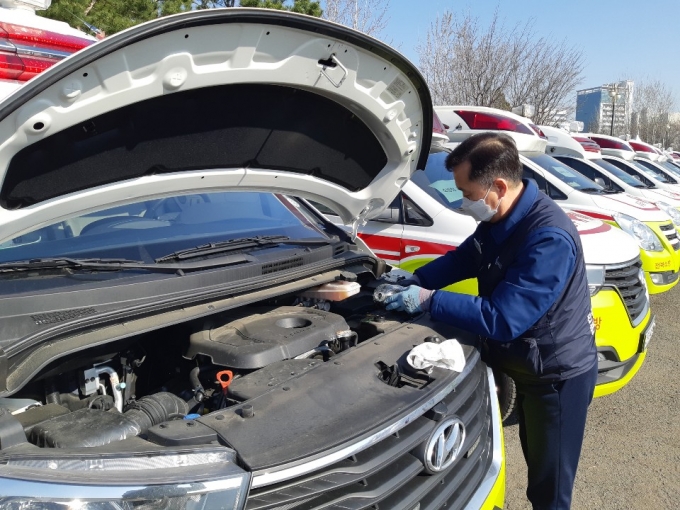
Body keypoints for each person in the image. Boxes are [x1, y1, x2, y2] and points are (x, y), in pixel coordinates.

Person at [384, 132, 597, 510]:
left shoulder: (547, 237)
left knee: (550, 488)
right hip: (529, 365)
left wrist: (430, 300)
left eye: (467, 193)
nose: (464, 202)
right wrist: (416, 279)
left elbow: (504, 318)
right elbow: (466, 257)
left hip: (557, 376)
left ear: (498, 185)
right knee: (535, 465)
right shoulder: (503, 217)